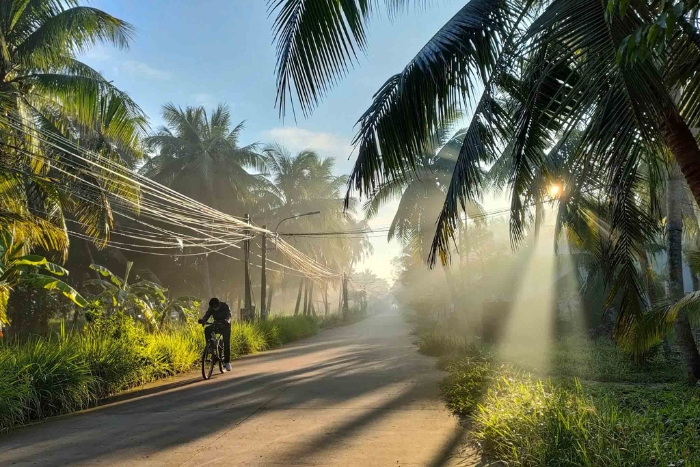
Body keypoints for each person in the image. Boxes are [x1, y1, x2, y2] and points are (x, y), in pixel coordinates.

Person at [198, 298, 232, 371]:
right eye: (213, 308)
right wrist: (203, 321)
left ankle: (227, 362)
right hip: (217, 325)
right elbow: (207, 315)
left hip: (226, 326)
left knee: (226, 343)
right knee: (207, 329)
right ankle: (210, 347)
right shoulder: (211, 308)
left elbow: (229, 316)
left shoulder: (225, 306)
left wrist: (227, 321)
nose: (215, 309)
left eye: (216, 307)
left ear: (219, 304)